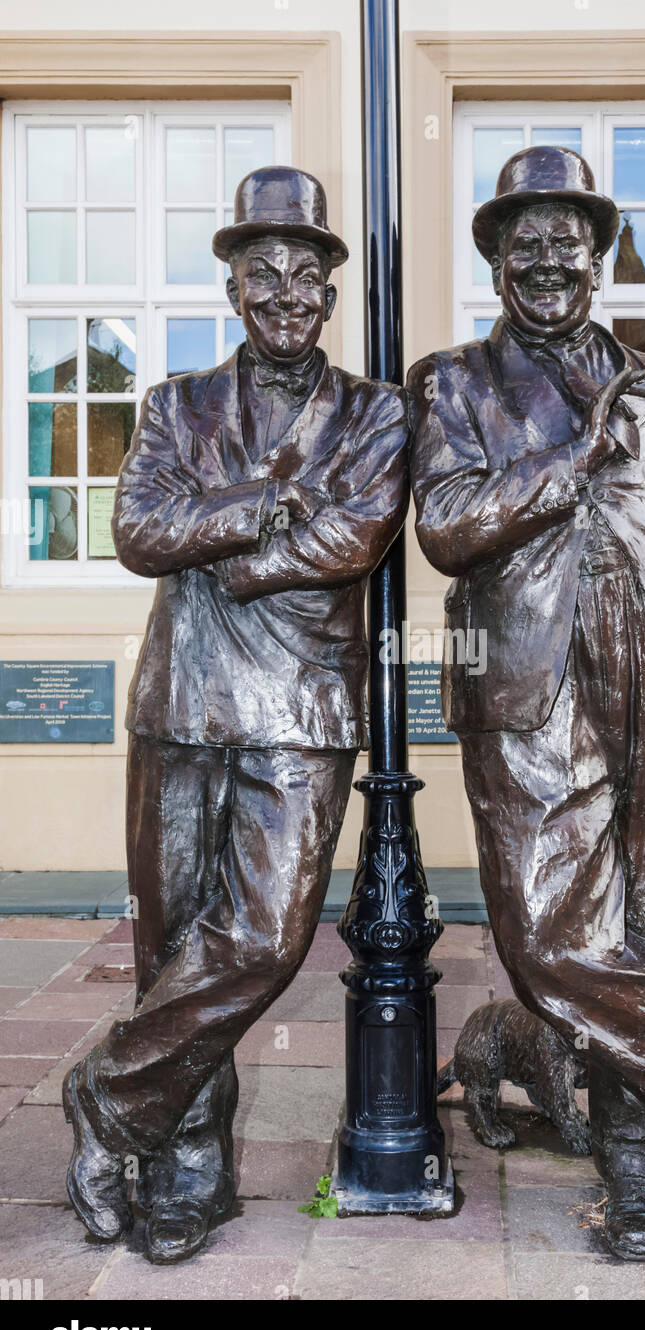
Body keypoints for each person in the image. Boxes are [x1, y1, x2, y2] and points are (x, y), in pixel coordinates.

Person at [407, 145, 645, 1260]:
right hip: (529, 678)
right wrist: (571, 459)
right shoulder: (452, 382)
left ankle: (640, 1185)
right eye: (521, 242)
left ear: (599, 256)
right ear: (492, 260)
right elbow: (445, 524)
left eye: (566, 242)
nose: (545, 261)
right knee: (547, 936)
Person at [63, 167, 408, 1264]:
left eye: (309, 273)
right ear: (233, 285)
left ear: (331, 292)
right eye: (266, 271)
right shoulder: (174, 403)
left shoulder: (373, 412)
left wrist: (227, 552)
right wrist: (259, 505)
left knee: (260, 938)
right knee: (173, 952)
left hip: (301, 711)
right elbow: (136, 534)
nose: (289, 291)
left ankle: (107, 1096)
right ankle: (189, 1174)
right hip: (179, 704)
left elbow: (353, 541)